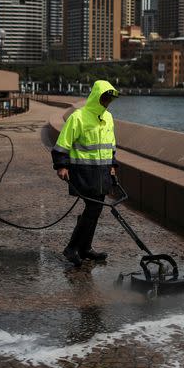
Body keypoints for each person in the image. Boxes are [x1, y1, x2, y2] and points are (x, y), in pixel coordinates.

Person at [51, 80, 119, 266]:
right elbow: (62, 144)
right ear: (97, 97)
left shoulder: (109, 118)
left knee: (94, 211)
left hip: (102, 173)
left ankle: (84, 248)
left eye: (110, 99)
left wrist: (113, 164)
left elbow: (111, 145)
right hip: (83, 172)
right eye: (105, 98)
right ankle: (72, 248)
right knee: (93, 209)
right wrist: (61, 166)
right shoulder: (78, 117)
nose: (107, 102)